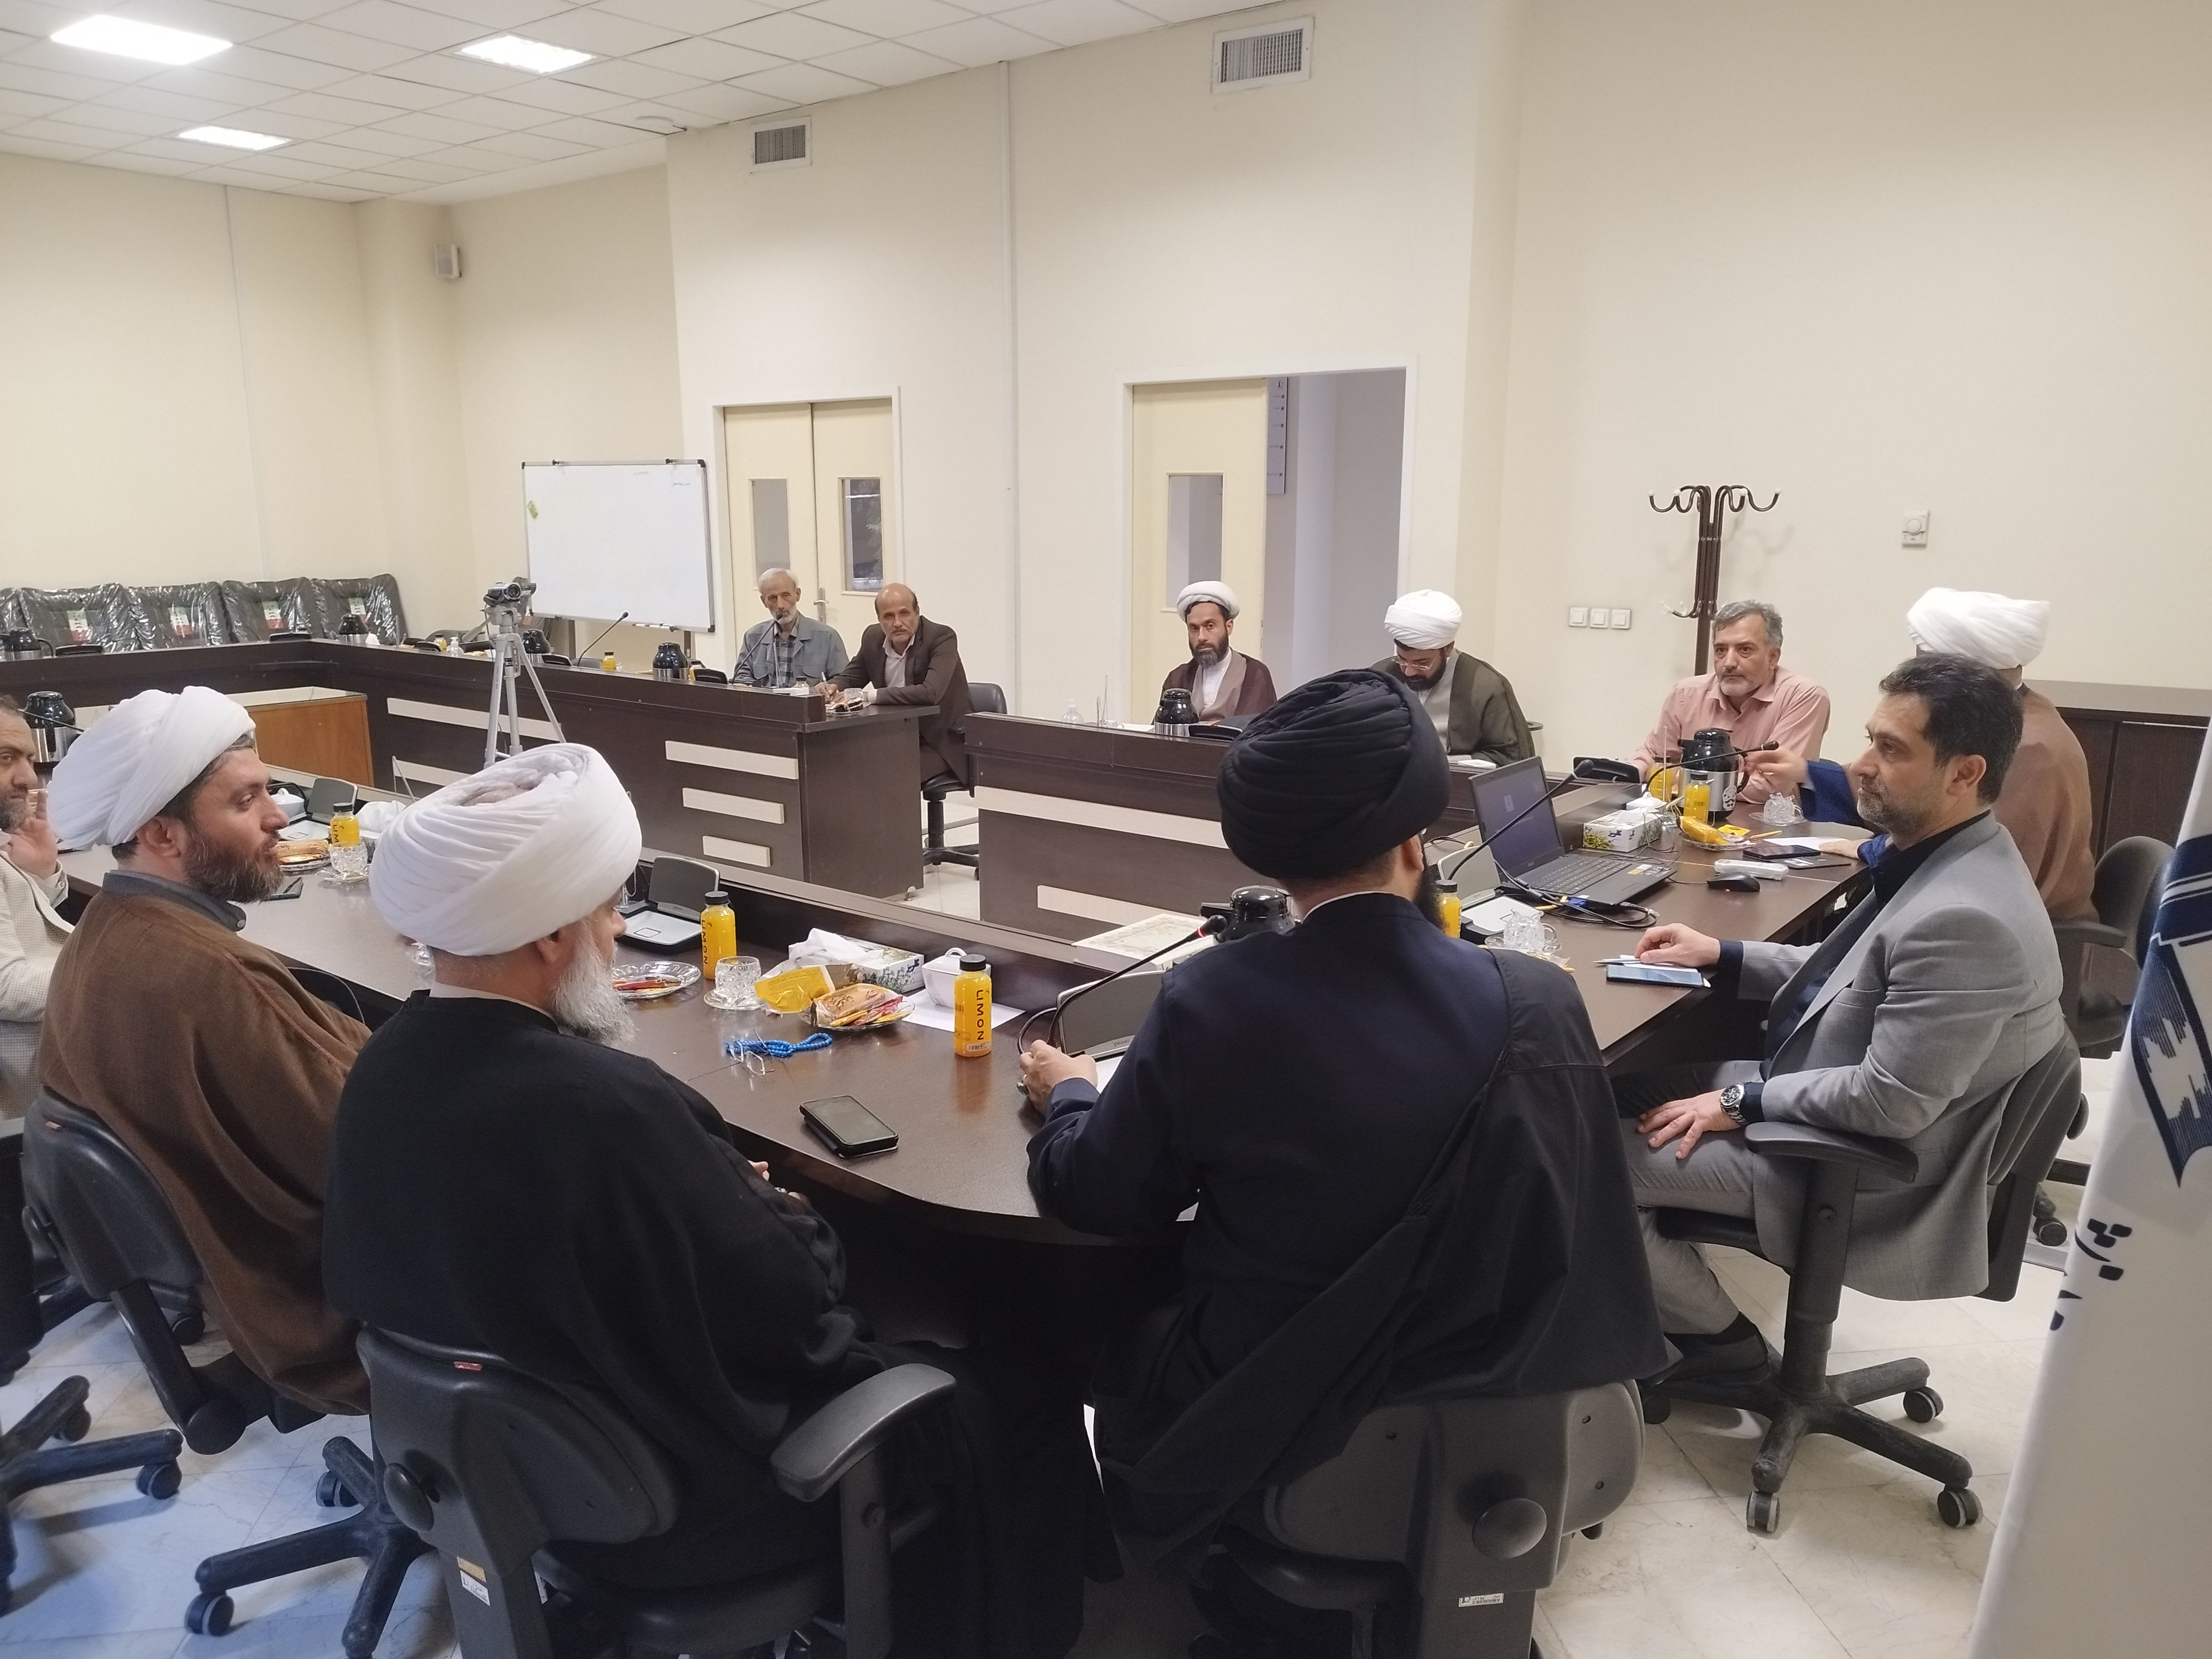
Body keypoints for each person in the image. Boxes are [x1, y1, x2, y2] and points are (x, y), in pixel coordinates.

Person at [326, 744, 1100, 1657]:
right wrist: (777, 1210)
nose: (617, 931)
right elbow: (798, 1309)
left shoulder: (382, 1065)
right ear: (547, 937)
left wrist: (708, 1195)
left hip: (523, 1486)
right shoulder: (608, 1109)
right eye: (607, 911)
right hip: (690, 1511)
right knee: (1019, 1381)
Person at [1019, 670, 1663, 1643]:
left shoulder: (1212, 1001)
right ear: (1416, 840)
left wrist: (1070, 1091)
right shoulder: (1539, 1000)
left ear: (1273, 861)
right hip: (1529, 1417)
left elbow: (1096, 1194)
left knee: (1087, 1307)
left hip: (1289, 1425)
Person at [1616, 655, 2065, 1383]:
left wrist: (1738, 1101)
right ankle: (1642, 1282)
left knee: (1588, 1159)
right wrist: (1724, 953)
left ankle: (1723, 1345)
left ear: (1964, 773)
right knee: (1602, 1094)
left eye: (1891, 749)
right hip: (1821, 1086)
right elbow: (1848, 979)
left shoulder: (1965, 919)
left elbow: (1890, 1101)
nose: (1860, 766)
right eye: (1870, 740)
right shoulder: (1949, 855)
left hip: (1857, 1163)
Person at [40, 687, 369, 1412]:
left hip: (235, 1286)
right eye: (246, 801)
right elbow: (373, 1158)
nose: (278, 817)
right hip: (313, 1312)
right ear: (163, 835)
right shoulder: (213, 977)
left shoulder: (106, 929)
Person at [1749, 588, 2096, 922]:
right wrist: (1807, 772)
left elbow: (1970, 859)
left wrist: (1873, 849)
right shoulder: (2024, 713)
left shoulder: (2029, 747)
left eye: (1926, 664)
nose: (1917, 677)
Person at [1630, 600, 1830, 808]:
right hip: (1688, 816)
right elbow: (1654, 757)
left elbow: (1772, 788)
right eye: (1721, 650)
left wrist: (1676, 777)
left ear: (1773, 657)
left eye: (1745, 650)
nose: (1729, 663)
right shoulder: (1686, 694)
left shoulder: (1804, 696)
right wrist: (1630, 772)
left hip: (1763, 823)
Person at [826, 583, 975, 786]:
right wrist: (832, 686)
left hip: (941, 742)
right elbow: (852, 677)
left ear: (917, 612)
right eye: (889, 616)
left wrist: (870, 696)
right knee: (849, 764)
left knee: (890, 777)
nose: (897, 623)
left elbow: (930, 693)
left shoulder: (941, 637)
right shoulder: (872, 638)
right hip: (895, 736)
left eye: (904, 613)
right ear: (879, 619)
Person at [0, 698, 70, 1118]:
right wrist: (111, 970)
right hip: (33, 1097)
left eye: (27, 759)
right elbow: (5, 989)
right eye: (5, 759)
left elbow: (17, 928)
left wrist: (40, 874)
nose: (28, 778)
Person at [1369, 589, 1535, 764]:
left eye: (1422, 663)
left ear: (1447, 648)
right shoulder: (1380, 677)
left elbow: (1512, 757)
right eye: (1402, 660)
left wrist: (1445, 764)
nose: (1409, 672)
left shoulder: (1485, 686)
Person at [1158, 582, 1277, 721]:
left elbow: (1259, 729)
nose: (1201, 637)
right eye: (1194, 628)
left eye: (1210, 626)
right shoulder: (1178, 679)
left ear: (1229, 627)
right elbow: (1160, 732)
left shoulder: (1255, 674)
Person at [731, 566, 849, 689]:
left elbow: (843, 680)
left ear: (797, 595)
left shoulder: (827, 637)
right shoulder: (753, 637)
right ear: (764, 601)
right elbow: (741, 678)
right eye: (773, 598)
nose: (780, 605)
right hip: (764, 701)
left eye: (786, 595)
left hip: (808, 701)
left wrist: (825, 689)